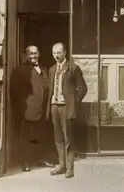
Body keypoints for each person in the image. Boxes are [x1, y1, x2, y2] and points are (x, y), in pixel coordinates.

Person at [47, 43, 87, 178]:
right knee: (58, 138)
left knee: (68, 137)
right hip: (54, 106)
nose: (56, 56)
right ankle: (61, 165)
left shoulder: (73, 68)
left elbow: (82, 89)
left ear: (64, 52)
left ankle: (70, 168)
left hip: (65, 108)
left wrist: (73, 103)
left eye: (59, 53)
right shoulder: (52, 69)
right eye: (54, 53)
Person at [10, 45, 49, 172]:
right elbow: (14, 92)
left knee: (38, 136)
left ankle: (37, 159)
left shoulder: (44, 69)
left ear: (39, 54)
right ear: (26, 56)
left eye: (35, 53)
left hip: (42, 110)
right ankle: (25, 162)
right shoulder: (20, 71)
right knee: (25, 137)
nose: (33, 56)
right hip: (26, 111)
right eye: (30, 54)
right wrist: (21, 107)